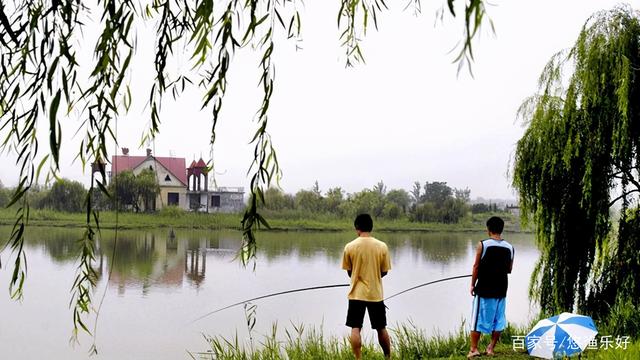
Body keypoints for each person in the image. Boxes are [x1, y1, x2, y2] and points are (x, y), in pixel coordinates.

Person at [342, 213, 392, 360]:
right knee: (381, 328)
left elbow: (350, 272)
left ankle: (358, 358)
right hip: (376, 294)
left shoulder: (349, 247)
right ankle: (388, 357)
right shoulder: (382, 247)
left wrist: (358, 276)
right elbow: (384, 272)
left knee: (355, 327)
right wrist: (373, 278)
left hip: (356, 294)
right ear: (371, 227)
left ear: (357, 228)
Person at [468, 216, 515, 358]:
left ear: (488, 229)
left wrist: (472, 284)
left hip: (484, 289)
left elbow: (476, 266)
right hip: (501, 289)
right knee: (498, 320)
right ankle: (490, 348)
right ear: (501, 229)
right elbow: (509, 270)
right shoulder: (510, 248)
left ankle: (474, 349)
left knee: (477, 320)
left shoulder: (483, 245)